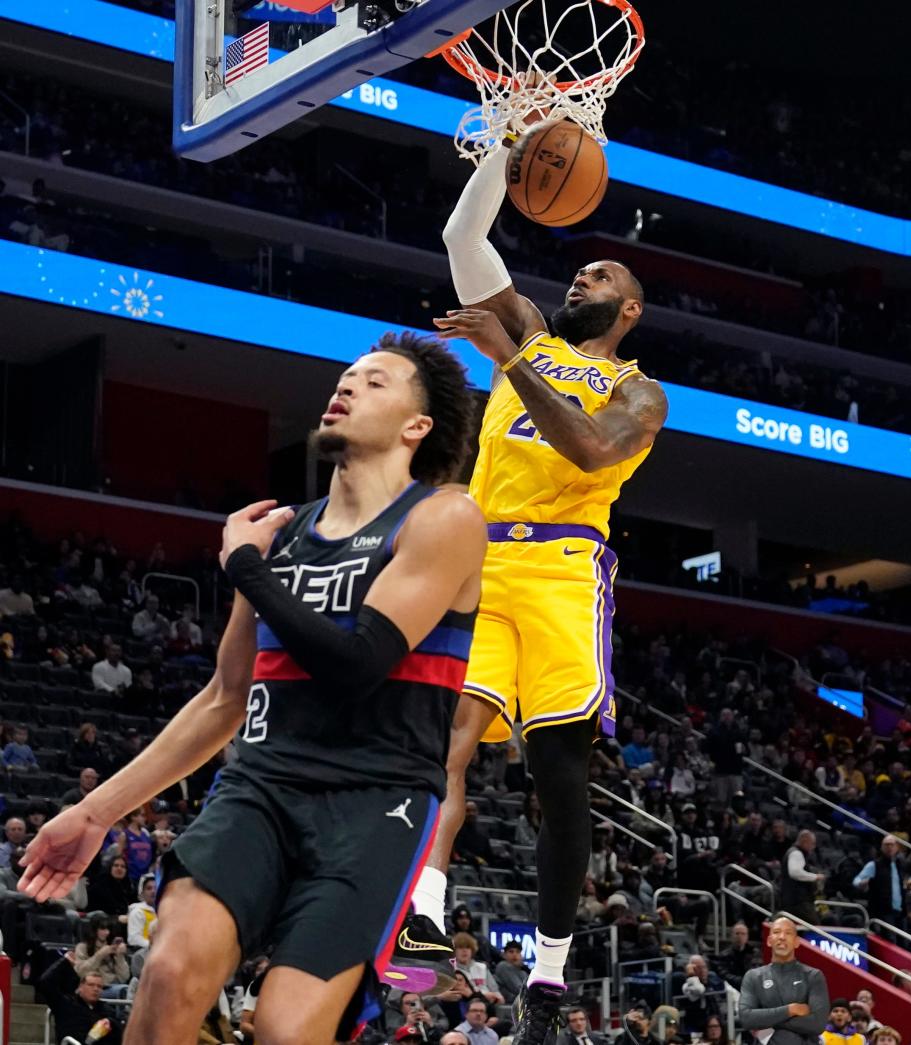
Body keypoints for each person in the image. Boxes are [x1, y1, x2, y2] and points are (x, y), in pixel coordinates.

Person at [18, 334, 487, 1045]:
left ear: (416, 426)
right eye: (347, 374)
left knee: (285, 1028)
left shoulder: (443, 517)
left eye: (376, 382)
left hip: (376, 804)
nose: (349, 385)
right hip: (261, 787)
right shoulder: (281, 536)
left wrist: (246, 566)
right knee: (172, 971)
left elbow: (359, 662)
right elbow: (223, 698)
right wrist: (94, 812)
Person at [398, 121, 667, 1045]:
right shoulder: (532, 331)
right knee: (448, 738)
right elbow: (463, 242)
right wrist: (500, 154)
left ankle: (548, 978)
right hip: (483, 557)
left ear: (628, 311)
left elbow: (590, 448)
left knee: (557, 782)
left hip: (560, 568)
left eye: (605, 278)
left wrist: (510, 359)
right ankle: (427, 903)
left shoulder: (638, 392)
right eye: (581, 272)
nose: (583, 277)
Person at [740, 917, 829, 1045]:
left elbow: (817, 1024)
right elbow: (746, 1018)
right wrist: (790, 1010)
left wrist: (766, 1020)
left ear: (796, 942)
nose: (782, 937)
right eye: (776, 932)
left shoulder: (813, 976)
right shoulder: (753, 976)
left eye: (788, 933)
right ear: (769, 941)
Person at [37, 964, 123, 1043]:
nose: (96, 989)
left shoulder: (107, 1009)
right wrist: (64, 962)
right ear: (81, 987)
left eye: (99, 986)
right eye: (91, 985)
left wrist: (111, 1023)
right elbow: (45, 983)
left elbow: (121, 1030)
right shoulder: (66, 1004)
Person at [852, 836, 904, 926]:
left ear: (897, 848)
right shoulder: (874, 865)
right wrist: (862, 883)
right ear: (882, 847)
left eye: (892, 845)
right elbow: (856, 881)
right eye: (887, 845)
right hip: (883, 911)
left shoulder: (899, 865)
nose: (889, 847)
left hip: (900, 911)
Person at [74, 917, 131, 999]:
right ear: (94, 930)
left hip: (114, 986)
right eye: (103, 929)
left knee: (128, 990)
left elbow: (124, 977)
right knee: (123, 991)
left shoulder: (111, 947)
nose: (107, 932)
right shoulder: (82, 947)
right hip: (95, 987)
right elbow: (80, 972)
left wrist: (120, 956)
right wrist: (100, 955)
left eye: (108, 929)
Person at [780, 831, 824, 925]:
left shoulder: (795, 852)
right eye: (812, 843)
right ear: (804, 841)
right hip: (798, 901)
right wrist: (815, 877)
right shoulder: (796, 853)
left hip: (792, 900)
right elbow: (795, 872)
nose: (814, 846)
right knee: (815, 927)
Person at [127, 874, 157, 951]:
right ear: (142, 892)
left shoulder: (163, 912)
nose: (153, 891)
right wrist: (156, 947)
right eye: (149, 888)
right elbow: (134, 939)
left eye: (156, 888)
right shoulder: (137, 912)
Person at [495, 940, 529, 1004]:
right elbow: (520, 990)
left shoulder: (523, 972)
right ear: (504, 955)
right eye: (511, 952)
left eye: (518, 952)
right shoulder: (503, 966)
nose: (514, 954)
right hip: (506, 1006)